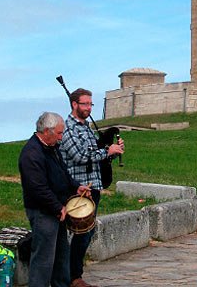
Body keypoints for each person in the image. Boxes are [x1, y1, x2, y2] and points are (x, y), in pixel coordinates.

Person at [59, 88, 124, 287]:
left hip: (92, 187)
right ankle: (72, 277)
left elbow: (95, 154)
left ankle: (73, 275)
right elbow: (80, 156)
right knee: (80, 233)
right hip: (77, 189)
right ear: (74, 105)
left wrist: (113, 151)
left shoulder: (86, 127)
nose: (88, 108)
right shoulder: (68, 129)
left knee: (86, 232)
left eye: (90, 104)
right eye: (85, 104)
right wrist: (107, 150)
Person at [18, 112, 90, 287]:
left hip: (58, 209)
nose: (61, 137)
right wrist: (58, 207)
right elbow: (37, 189)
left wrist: (76, 187)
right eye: (59, 133)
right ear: (47, 131)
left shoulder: (52, 148)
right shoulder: (31, 153)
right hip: (43, 211)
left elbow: (63, 174)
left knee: (61, 255)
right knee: (44, 258)